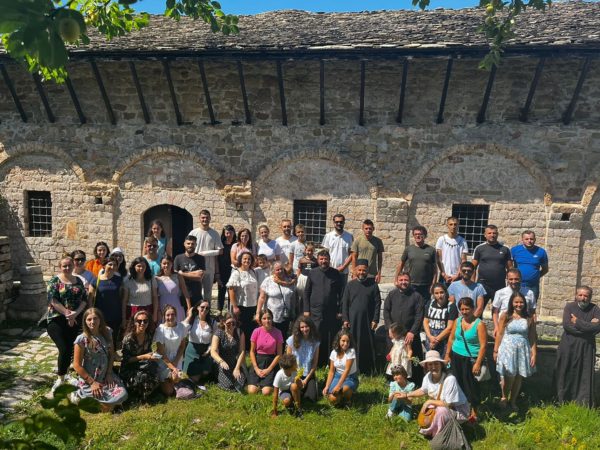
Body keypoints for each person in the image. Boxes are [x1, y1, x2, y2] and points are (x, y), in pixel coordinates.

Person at [400, 350, 470, 440]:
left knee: (440, 411)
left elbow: (449, 404)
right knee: (431, 408)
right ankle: (431, 431)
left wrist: (429, 402)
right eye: (430, 364)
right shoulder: (428, 376)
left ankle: (439, 436)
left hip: (458, 410)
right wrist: (407, 395)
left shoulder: (450, 379)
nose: (433, 367)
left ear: (441, 365)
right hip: (442, 405)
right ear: (426, 366)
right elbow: (423, 390)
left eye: (436, 364)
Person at [71, 308, 128, 411]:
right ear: (85, 321)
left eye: (95, 318)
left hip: (105, 374)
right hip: (90, 378)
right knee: (100, 395)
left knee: (122, 394)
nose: (92, 322)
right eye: (89, 319)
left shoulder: (108, 332)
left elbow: (111, 355)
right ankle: (80, 395)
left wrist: (109, 373)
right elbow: (76, 365)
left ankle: (101, 404)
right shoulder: (82, 339)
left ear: (100, 319)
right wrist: (92, 383)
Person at [46, 255, 88, 394]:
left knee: (70, 348)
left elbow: (84, 300)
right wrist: (67, 313)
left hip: (75, 319)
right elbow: (53, 300)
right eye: (64, 265)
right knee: (63, 348)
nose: (67, 267)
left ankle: (66, 374)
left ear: (73, 266)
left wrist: (75, 314)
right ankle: (60, 377)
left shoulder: (78, 281)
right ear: (60, 267)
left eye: (70, 265)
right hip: (57, 319)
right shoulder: (55, 281)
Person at [554, 286, 600, 407]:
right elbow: (567, 326)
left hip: (586, 348)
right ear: (576, 295)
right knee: (566, 370)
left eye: (586, 296)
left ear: (590, 297)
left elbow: (597, 328)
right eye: (580, 295)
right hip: (569, 345)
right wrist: (588, 327)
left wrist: (578, 322)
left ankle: (582, 403)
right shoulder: (570, 307)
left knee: (584, 373)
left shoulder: (595, 309)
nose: (583, 298)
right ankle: (562, 400)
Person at [444, 297, 487, 418]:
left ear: (473, 309)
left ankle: (474, 409)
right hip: (456, 356)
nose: (464, 312)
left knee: (472, 385)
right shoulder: (457, 321)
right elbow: (451, 338)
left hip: (471, 359)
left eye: (467, 309)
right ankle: (459, 407)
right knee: (457, 382)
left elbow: (483, 346)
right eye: (462, 309)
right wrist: (447, 354)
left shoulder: (479, 324)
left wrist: (478, 363)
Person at [494, 292, 537, 410]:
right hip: (507, 349)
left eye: (521, 302)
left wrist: (534, 353)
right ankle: (504, 397)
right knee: (509, 376)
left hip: (522, 349)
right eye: (516, 302)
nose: (519, 304)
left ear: (525, 303)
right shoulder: (505, 315)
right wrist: (495, 350)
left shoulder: (529, 318)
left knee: (518, 376)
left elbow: (532, 336)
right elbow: (500, 333)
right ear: (511, 303)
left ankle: (513, 401)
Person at [383, 272, 424, 383]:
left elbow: (419, 316)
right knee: (394, 357)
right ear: (397, 281)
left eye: (406, 280)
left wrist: (412, 332)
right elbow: (386, 311)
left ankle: (413, 381)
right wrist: (390, 329)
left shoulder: (417, 296)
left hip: (409, 335)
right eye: (401, 280)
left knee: (410, 359)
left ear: (410, 281)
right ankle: (392, 379)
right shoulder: (392, 294)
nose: (403, 282)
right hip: (394, 334)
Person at [303, 249, 343, 366]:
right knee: (316, 335)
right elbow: (306, 292)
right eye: (321, 259)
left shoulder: (335, 273)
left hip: (331, 311)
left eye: (326, 259)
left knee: (330, 336)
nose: (323, 261)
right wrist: (306, 310)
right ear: (318, 260)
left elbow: (341, 293)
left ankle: (329, 362)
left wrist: (340, 310)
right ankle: (316, 362)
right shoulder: (312, 273)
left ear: (329, 260)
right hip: (315, 312)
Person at [341, 259, 381, 374]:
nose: (361, 272)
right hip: (352, 321)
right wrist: (345, 319)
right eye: (359, 270)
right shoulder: (350, 285)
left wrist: (375, 319)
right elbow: (345, 303)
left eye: (364, 270)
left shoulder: (373, 285)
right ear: (355, 270)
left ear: (367, 271)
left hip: (368, 321)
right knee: (352, 343)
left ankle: (367, 370)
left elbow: (377, 303)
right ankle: (351, 369)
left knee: (367, 344)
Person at [120, 310, 169, 400]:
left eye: (145, 321)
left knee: (155, 370)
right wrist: (144, 356)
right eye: (139, 321)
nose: (142, 323)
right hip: (129, 368)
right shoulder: (128, 339)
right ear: (135, 322)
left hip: (143, 365)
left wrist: (152, 355)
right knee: (145, 377)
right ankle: (142, 395)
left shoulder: (148, 336)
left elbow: (148, 352)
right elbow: (126, 360)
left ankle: (145, 392)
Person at [472, 224, 513, 311]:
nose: (492, 235)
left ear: (497, 234)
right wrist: (472, 283)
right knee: (478, 310)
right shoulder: (479, 248)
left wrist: (510, 284)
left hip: (499, 285)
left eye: (494, 233)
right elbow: (472, 267)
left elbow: (510, 268)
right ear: (485, 235)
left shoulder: (505, 249)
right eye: (489, 233)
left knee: (498, 311)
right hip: (482, 285)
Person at [187, 209, 224, 304]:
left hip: (209, 269)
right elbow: (188, 248)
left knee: (207, 294)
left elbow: (220, 251)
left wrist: (204, 253)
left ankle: (207, 312)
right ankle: (195, 312)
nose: (205, 220)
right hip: (195, 268)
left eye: (207, 217)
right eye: (203, 218)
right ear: (199, 218)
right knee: (195, 293)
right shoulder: (193, 233)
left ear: (210, 218)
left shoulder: (214, 234)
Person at [89, 255, 125, 347]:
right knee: (99, 339)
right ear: (104, 266)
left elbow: (122, 298)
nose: (112, 267)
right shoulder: (96, 280)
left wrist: (123, 316)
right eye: (110, 264)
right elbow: (90, 298)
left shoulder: (119, 280)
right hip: (100, 315)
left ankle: (111, 355)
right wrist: (90, 313)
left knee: (112, 340)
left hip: (115, 315)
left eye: (115, 265)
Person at [153, 305, 190, 396]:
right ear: (164, 316)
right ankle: (164, 382)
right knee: (169, 391)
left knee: (175, 378)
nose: (170, 317)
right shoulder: (160, 330)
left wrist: (176, 361)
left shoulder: (181, 327)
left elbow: (182, 347)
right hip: (164, 361)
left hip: (177, 359)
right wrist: (173, 367)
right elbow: (161, 353)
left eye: (173, 314)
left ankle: (174, 383)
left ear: (176, 315)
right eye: (168, 315)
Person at [247, 309, 284, 395]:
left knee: (266, 392)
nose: (267, 321)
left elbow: (279, 354)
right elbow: (252, 351)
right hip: (258, 361)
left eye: (269, 318)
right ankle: (256, 385)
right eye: (264, 318)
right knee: (252, 391)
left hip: (271, 362)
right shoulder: (256, 331)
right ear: (260, 320)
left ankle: (264, 386)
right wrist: (256, 368)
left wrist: (269, 369)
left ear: (272, 319)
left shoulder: (278, 333)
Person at [227, 251, 259, 350]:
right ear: (240, 260)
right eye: (245, 258)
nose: (247, 260)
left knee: (250, 327)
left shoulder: (253, 272)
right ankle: (240, 349)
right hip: (241, 305)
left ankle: (249, 349)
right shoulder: (236, 273)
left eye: (249, 259)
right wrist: (235, 306)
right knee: (241, 328)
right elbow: (231, 289)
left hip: (252, 305)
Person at [396, 225, 438, 300]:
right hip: (411, 284)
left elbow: (435, 269)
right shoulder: (408, 249)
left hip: (426, 285)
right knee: (410, 304)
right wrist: (396, 279)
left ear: (425, 236)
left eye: (420, 234)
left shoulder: (431, 250)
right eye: (415, 234)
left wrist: (433, 284)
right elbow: (400, 265)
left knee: (424, 305)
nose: (418, 236)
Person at [491, 268, 536, 337]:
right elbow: (495, 312)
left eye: (516, 279)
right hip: (504, 327)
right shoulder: (500, 293)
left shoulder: (529, 293)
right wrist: (496, 327)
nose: (513, 281)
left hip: (523, 329)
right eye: (511, 279)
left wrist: (533, 330)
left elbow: (532, 313)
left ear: (521, 279)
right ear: (507, 279)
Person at [256, 261, 296, 338]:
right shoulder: (268, 281)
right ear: (273, 271)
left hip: (285, 315)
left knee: (283, 336)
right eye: (277, 270)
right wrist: (258, 313)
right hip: (271, 316)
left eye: (281, 269)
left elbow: (293, 298)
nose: (280, 271)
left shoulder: (289, 281)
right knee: (271, 337)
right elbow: (262, 298)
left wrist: (293, 311)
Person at [286, 317, 320, 402]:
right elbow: (288, 361)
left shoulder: (315, 342)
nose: (304, 329)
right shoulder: (292, 339)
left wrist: (306, 380)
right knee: (294, 394)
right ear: (298, 328)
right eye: (302, 327)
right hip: (294, 373)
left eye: (306, 326)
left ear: (310, 327)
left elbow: (314, 364)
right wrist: (297, 378)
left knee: (311, 398)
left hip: (308, 374)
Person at [210, 312, 247, 392]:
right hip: (222, 363)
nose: (231, 325)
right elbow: (213, 351)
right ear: (223, 322)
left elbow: (242, 351)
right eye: (228, 323)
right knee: (228, 385)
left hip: (234, 362)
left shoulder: (240, 332)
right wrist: (221, 361)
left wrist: (237, 368)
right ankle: (219, 378)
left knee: (241, 382)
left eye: (233, 323)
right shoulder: (218, 333)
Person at [183, 301, 215, 386]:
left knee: (205, 372)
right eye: (202, 307)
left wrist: (209, 350)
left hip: (206, 351)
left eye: (207, 308)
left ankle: (201, 373)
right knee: (195, 378)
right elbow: (181, 330)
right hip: (192, 350)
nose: (204, 309)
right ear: (197, 308)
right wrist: (189, 316)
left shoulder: (212, 322)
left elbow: (214, 339)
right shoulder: (192, 320)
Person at [322, 329, 358, 406]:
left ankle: (348, 399)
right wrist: (327, 386)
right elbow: (331, 372)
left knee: (345, 389)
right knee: (333, 400)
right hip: (337, 376)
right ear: (338, 341)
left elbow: (347, 370)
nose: (346, 344)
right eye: (343, 341)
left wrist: (338, 386)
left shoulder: (351, 351)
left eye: (348, 341)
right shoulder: (333, 353)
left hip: (350, 377)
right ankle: (340, 397)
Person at [511, 230, 549, 300]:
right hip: (517, 285)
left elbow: (545, 269)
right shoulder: (514, 250)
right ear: (522, 239)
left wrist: (535, 276)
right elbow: (510, 266)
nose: (529, 241)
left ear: (535, 239)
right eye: (526, 239)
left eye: (531, 239)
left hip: (533, 286)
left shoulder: (541, 252)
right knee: (516, 305)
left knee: (532, 306)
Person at [423, 283, 458, 358]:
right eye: (436, 293)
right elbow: (425, 321)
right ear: (433, 294)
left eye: (441, 292)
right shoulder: (430, 303)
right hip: (430, 337)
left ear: (445, 292)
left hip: (443, 339)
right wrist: (430, 336)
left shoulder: (451, 306)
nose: (439, 295)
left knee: (442, 362)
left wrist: (436, 340)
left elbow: (450, 328)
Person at [322, 213, 353, 295]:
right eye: (337, 222)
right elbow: (324, 254)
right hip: (330, 271)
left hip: (343, 272)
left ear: (344, 222)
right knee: (329, 293)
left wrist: (343, 267)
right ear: (333, 223)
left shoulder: (349, 236)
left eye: (341, 222)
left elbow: (352, 254)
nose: (339, 223)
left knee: (342, 295)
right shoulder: (328, 236)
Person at [123, 257, 158, 324]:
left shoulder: (151, 279)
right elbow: (124, 301)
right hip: (132, 311)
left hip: (148, 309)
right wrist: (123, 318)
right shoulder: (128, 280)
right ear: (134, 267)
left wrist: (155, 314)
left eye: (143, 266)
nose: (141, 268)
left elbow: (155, 297)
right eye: (139, 266)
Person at [156, 255, 191, 323]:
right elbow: (156, 296)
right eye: (164, 263)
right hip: (162, 306)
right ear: (161, 264)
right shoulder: (157, 278)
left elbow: (186, 293)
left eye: (168, 263)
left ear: (172, 264)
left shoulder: (178, 276)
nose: (166, 265)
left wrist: (189, 308)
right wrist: (158, 310)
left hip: (177, 306)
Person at [435, 216, 469, 286]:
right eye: (451, 224)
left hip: (458, 276)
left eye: (455, 224)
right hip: (444, 275)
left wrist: (457, 275)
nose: (453, 226)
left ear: (458, 225)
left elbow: (463, 260)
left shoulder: (463, 241)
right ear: (447, 225)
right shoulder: (441, 239)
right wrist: (443, 274)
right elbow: (439, 259)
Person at [174, 235, 206, 306]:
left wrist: (182, 274)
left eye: (192, 244)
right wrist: (194, 273)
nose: (190, 245)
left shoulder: (200, 258)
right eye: (188, 243)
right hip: (182, 295)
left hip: (196, 294)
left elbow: (199, 277)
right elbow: (176, 276)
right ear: (184, 244)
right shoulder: (178, 258)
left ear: (196, 245)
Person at [271, 353, 303, 418]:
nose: (297, 365)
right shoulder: (279, 375)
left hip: (293, 389)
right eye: (295, 364)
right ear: (290, 368)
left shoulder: (295, 371)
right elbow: (275, 394)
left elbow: (300, 386)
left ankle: (298, 407)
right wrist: (275, 411)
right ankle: (291, 402)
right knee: (286, 402)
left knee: (294, 386)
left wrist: (298, 381)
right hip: (284, 391)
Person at [295, 243, 318, 317]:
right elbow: (299, 269)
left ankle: (310, 311)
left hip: (312, 280)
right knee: (302, 296)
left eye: (311, 251)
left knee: (310, 295)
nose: (309, 252)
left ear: (314, 251)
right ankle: (301, 312)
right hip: (303, 279)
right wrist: (298, 278)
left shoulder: (316, 261)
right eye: (308, 250)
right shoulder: (302, 260)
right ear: (305, 250)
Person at [218, 225, 236, 312]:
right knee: (221, 291)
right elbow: (217, 258)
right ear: (224, 234)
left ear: (234, 233)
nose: (229, 235)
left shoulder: (236, 244)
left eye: (230, 233)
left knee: (231, 292)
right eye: (227, 233)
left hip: (233, 271)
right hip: (222, 271)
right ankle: (220, 311)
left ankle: (230, 312)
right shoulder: (221, 244)